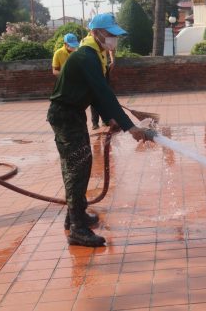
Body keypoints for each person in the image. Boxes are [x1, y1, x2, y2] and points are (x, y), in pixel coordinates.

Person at [47, 13, 154, 247]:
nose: (114, 39)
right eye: (111, 34)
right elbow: (103, 93)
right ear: (96, 33)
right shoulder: (86, 56)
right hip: (65, 116)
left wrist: (109, 118)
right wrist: (130, 127)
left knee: (80, 164)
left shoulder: (96, 54)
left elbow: (97, 93)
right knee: (77, 167)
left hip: (73, 114)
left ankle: (75, 215)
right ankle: (77, 228)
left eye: (115, 35)